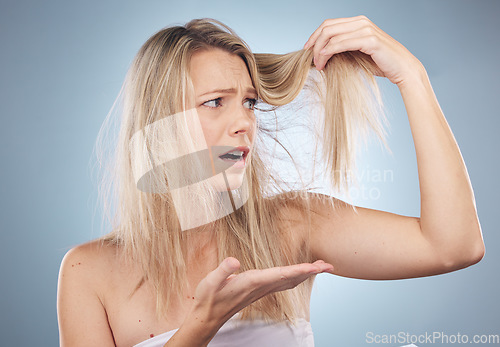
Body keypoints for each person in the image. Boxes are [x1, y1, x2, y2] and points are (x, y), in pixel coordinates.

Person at [57, 16, 485, 347]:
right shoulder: (87, 273)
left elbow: (454, 247)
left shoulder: (291, 224)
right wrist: (200, 326)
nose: (244, 121)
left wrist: (413, 76)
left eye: (248, 102)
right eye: (214, 102)